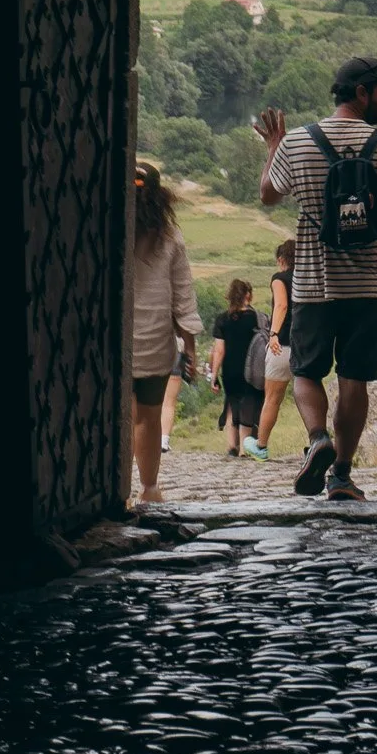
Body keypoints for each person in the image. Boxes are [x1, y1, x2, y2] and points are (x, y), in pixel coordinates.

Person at [256, 55, 377, 499]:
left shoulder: (297, 142)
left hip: (313, 284)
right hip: (368, 289)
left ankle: (318, 440)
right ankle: (342, 476)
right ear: (361, 94)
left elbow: (268, 196)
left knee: (305, 372)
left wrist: (274, 147)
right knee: (355, 378)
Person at [130, 163, 199, 507]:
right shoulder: (169, 237)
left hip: (111, 343)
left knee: (120, 417)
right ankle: (149, 488)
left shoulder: (109, 227)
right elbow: (183, 298)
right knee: (148, 416)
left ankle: (115, 487)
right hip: (155, 342)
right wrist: (191, 349)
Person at [246, 237, 299, 459]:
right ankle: (317, 441)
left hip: (283, 344)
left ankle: (261, 445)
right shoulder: (307, 277)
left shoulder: (280, 278)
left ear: (281, 259)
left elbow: (281, 304)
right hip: (306, 345)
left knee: (272, 399)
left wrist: (274, 333)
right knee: (308, 395)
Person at [208, 278, 263, 459]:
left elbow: (219, 350)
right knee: (248, 404)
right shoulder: (255, 318)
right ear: (248, 295)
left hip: (229, 369)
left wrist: (214, 375)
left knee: (232, 404)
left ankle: (232, 446)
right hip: (251, 369)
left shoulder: (222, 319)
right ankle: (243, 449)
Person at [159, 336, 186, 453]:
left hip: (149, 352)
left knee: (146, 401)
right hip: (175, 350)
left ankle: (145, 438)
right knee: (169, 402)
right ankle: (163, 440)